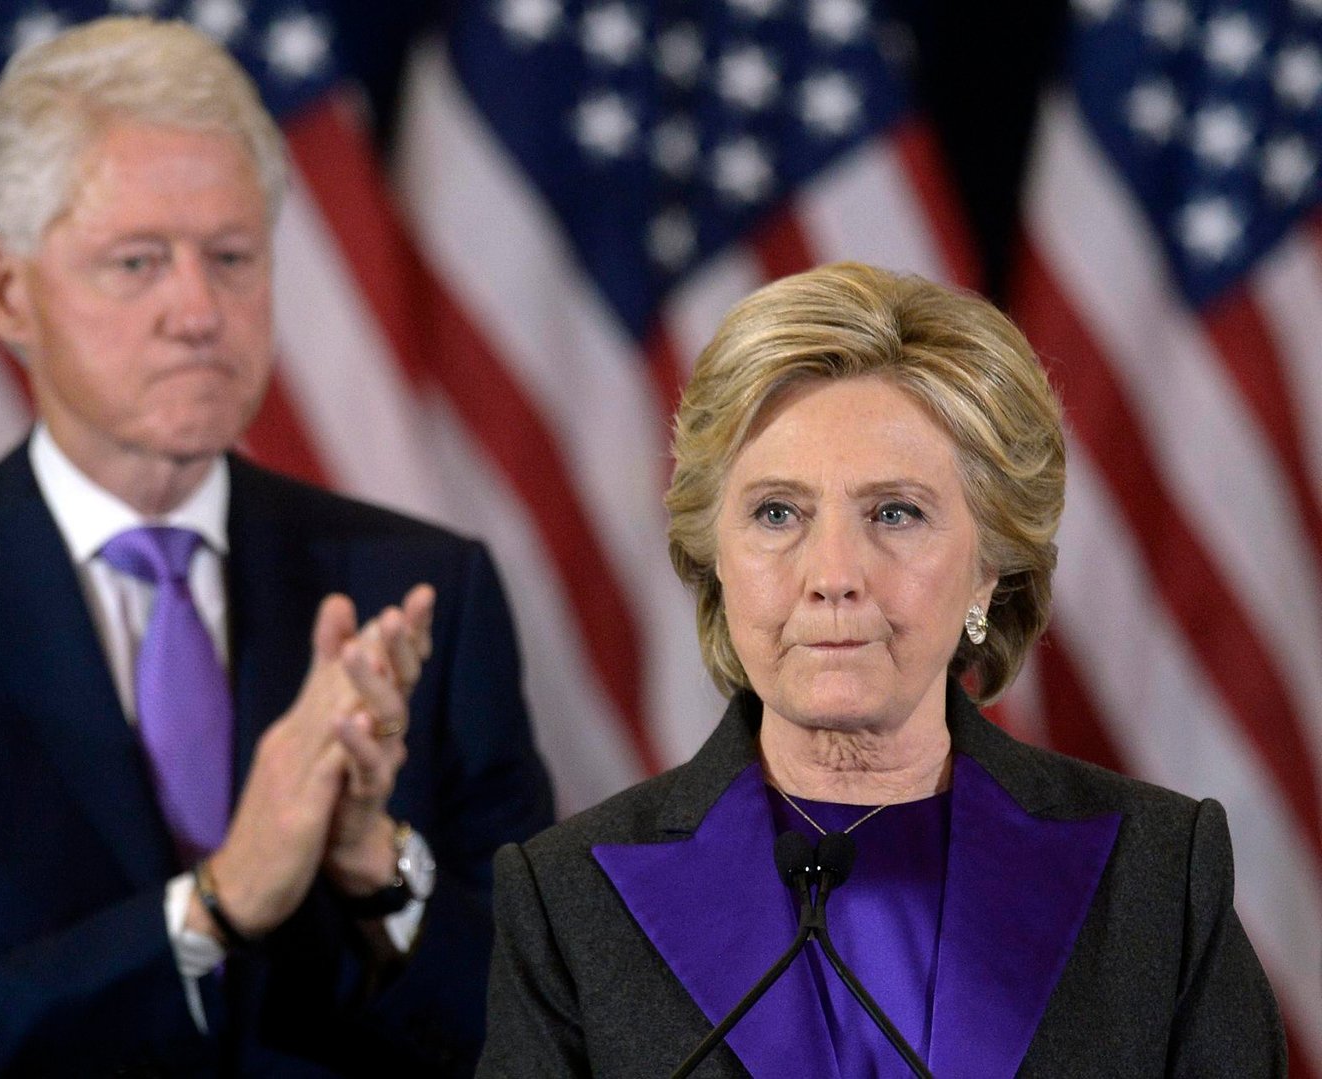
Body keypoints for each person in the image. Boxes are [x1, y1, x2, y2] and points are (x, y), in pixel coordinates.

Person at [0, 17, 552, 1077]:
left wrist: (376, 865)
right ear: (6, 289)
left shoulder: (421, 588)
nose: (197, 311)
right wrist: (211, 907)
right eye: (137, 262)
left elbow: (544, 1017)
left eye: (231, 257)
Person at [477, 262, 1285, 1077]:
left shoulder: (1158, 879)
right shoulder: (568, 902)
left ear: (988, 567)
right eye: (777, 512)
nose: (834, 573)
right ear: (715, 554)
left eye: (895, 512)